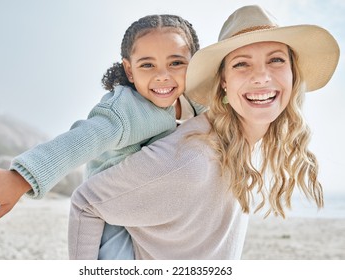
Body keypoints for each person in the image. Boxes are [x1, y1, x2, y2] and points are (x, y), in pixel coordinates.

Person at [68, 5, 340, 259]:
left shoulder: (237, 139)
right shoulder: (192, 158)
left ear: (293, 74)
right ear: (223, 81)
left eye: (276, 60)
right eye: (242, 64)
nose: (261, 76)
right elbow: (86, 202)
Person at [0, 14, 205, 259]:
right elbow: (81, 140)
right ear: (129, 70)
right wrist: (21, 178)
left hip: (156, 207)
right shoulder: (125, 111)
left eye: (176, 63)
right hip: (111, 213)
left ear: (194, 63)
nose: (162, 75)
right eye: (147, 65)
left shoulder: (196, 101)